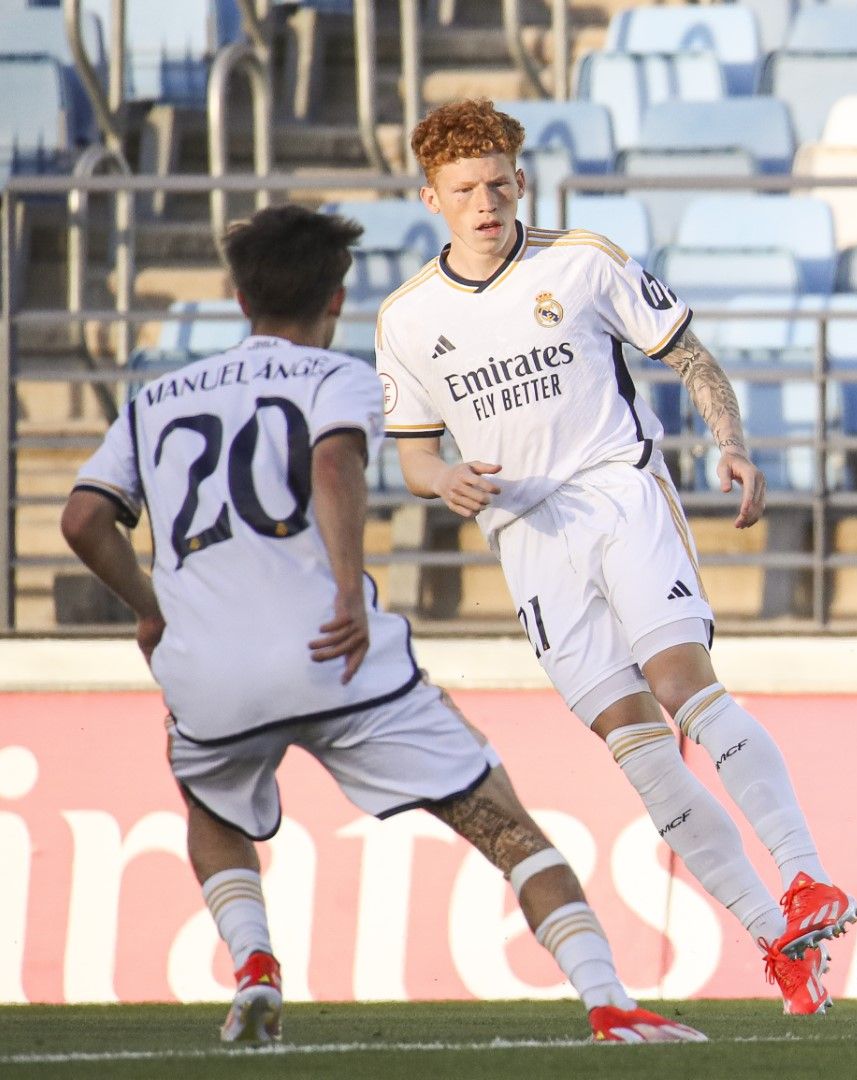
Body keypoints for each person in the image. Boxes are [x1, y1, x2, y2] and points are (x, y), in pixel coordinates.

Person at [61, 204, 703, 1046]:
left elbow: (82, 521)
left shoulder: (154, 399)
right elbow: (332, 463)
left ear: (234, 294)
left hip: (206, 667)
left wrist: (149, 610)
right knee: (501, 819)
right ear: (336, 299)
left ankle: (253, 964)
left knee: (212, 801)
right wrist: (340, 592)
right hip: (338, 653)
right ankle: (607, 1000)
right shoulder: (339, 380)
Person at [375, 99, 857, 1015]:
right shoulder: (407, 320)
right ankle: (779, 942)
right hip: (527, 540)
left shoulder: (582, 262)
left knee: (681, 683)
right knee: (637, 749)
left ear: (521, 179)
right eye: (465, 189)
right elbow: (411, 453)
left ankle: (807, 877)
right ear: (432, 197)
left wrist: (733, 442)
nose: (487, 202)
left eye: (499, 182)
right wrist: (444, 481)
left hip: (618, 493)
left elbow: (694, 358)